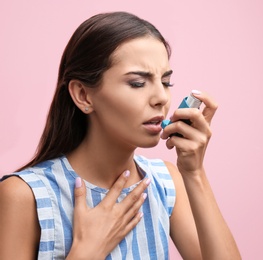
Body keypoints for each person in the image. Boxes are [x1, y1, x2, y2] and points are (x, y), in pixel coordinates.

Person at [0, 11, 241, 259]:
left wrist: (194, 173)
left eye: (166, 82)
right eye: (138, 83)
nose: (161, 98)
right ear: (83, 95)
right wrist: (85, 252)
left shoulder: (165, 182)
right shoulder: (24, 196)